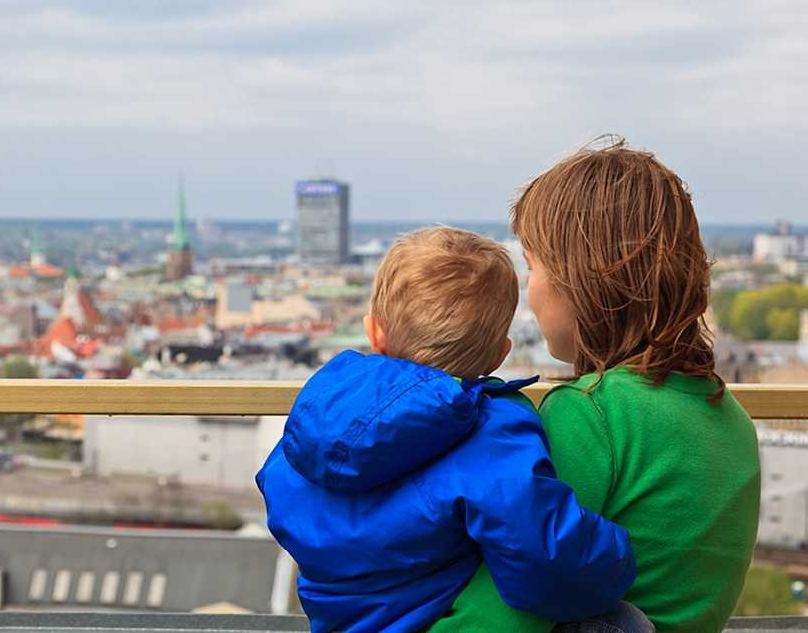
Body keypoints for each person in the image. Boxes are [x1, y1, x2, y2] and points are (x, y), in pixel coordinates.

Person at [431, 139, 761, 633]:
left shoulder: (591, 412)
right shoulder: (728, 414)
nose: (530, 288)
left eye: (533, 265)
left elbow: (510, 605)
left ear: (581, 279)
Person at [256, 227, 638, 633]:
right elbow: (549, 561)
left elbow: (279, 490)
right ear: (499, 354)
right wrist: (619, 558)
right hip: (433, 618)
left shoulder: (319, 411)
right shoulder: (491, 431)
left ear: (375, 333)